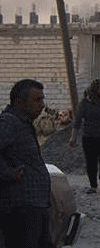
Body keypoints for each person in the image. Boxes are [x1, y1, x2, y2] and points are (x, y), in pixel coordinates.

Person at [0, 79, 55, 248]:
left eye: (42, 99)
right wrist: (7, 174)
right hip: (21, 207)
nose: (42, 105)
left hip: (35, 204)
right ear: (19, 102)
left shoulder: (23, 124)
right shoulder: (9, 122)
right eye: (37, 100)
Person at [70, 79, 100, 193]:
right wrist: (73, 137)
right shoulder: (85, 103)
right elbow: (77, 121)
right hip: (89, 136)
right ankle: (93, 186)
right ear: (95, 89)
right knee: (91, 162)